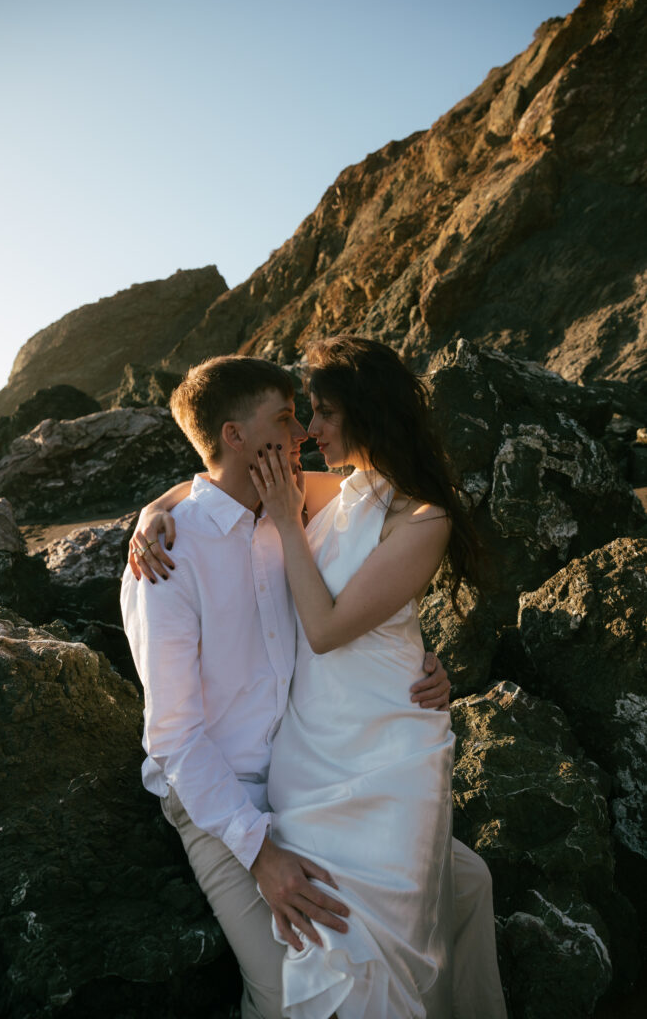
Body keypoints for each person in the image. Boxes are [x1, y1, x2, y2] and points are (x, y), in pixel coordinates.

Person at [122, 351, 506, 1018]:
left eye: (315, 412)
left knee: (466, 881)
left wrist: (412, 655)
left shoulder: (290, 509)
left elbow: (347, 600)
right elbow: (175, 741)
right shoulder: (171, 559)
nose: (303, 430)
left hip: (316, 768)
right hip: (225, 796)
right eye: (289, 416)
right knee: (294, 995)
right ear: (238, 437)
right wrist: (263, 857)